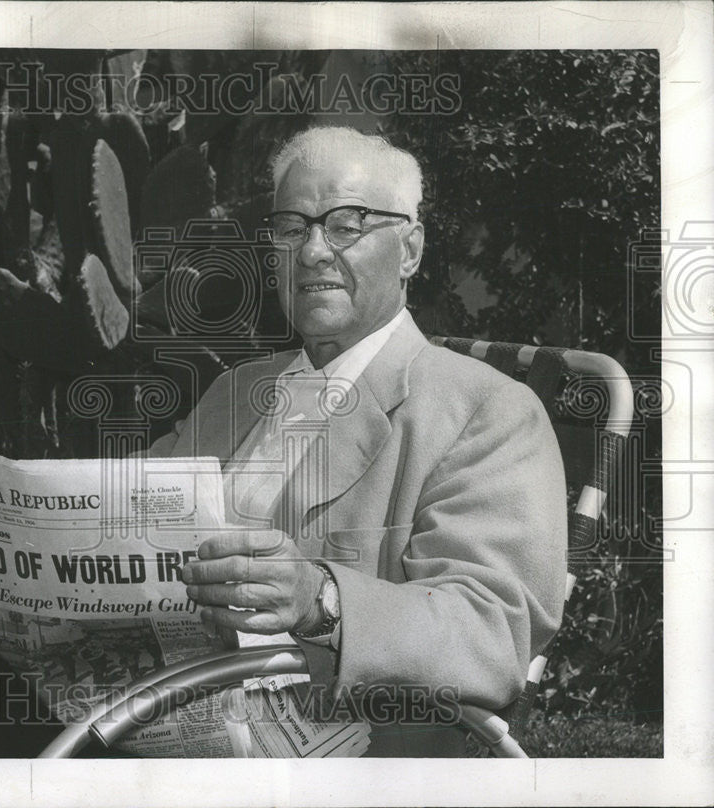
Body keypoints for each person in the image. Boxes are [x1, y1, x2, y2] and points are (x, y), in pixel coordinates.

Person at [147, 126, 568, 756]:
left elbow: (491, 633)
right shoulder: (235, 390)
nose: (313, 251)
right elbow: (134, 517)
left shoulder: (487, 412)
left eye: (346, 224)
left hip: (342, 756)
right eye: (292, 228)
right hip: (159, 717)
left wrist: (321, 599)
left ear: (410, 250)